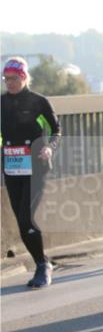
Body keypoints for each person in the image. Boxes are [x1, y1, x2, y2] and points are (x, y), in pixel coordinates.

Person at [1, 57, 59, 288]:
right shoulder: (1, 103)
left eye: (14, 78)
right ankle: (41, 262)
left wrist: (49, 147)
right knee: (21, 221)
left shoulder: (38, 102)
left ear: (24, 77)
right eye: (6, 79)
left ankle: (43, 266)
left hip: (36, 167)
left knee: (27, 217)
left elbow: (56, 130)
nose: (9, 83)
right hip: (13, 168)